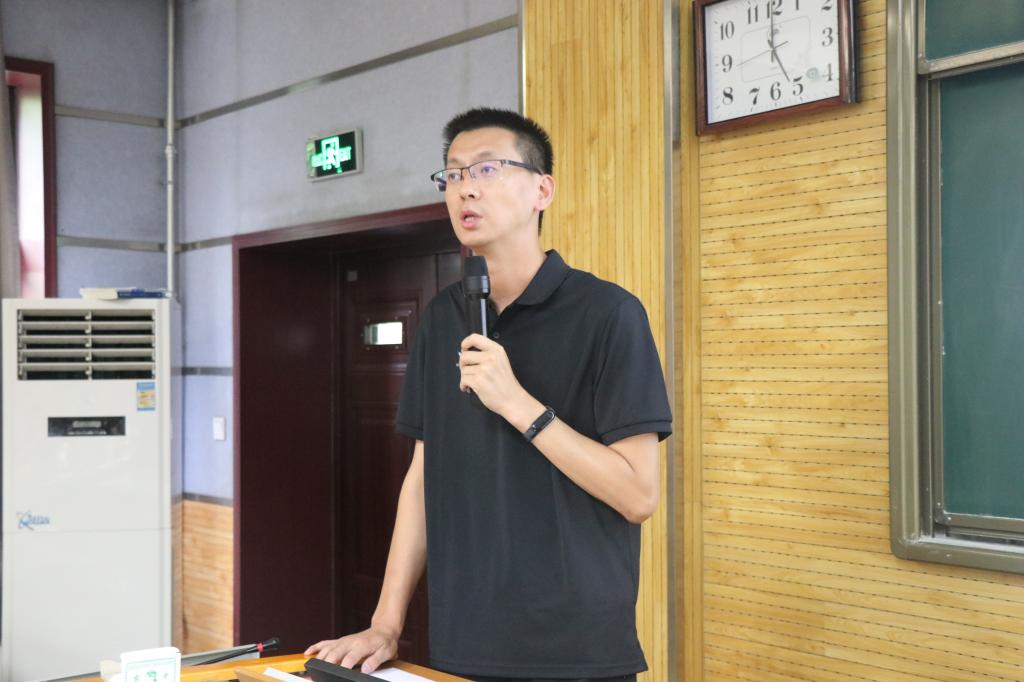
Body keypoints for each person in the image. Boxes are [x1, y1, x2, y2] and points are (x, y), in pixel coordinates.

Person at [306, 108, 672, 682]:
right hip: (464, 643)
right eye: (452, 174)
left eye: (486, 169)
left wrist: (517, 404)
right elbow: (422, 480)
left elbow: (638, 495)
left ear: (542, 190)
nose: (465, 188)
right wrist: (385, 623)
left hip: (576, 651)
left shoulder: (609, 314)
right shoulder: (441, 318)